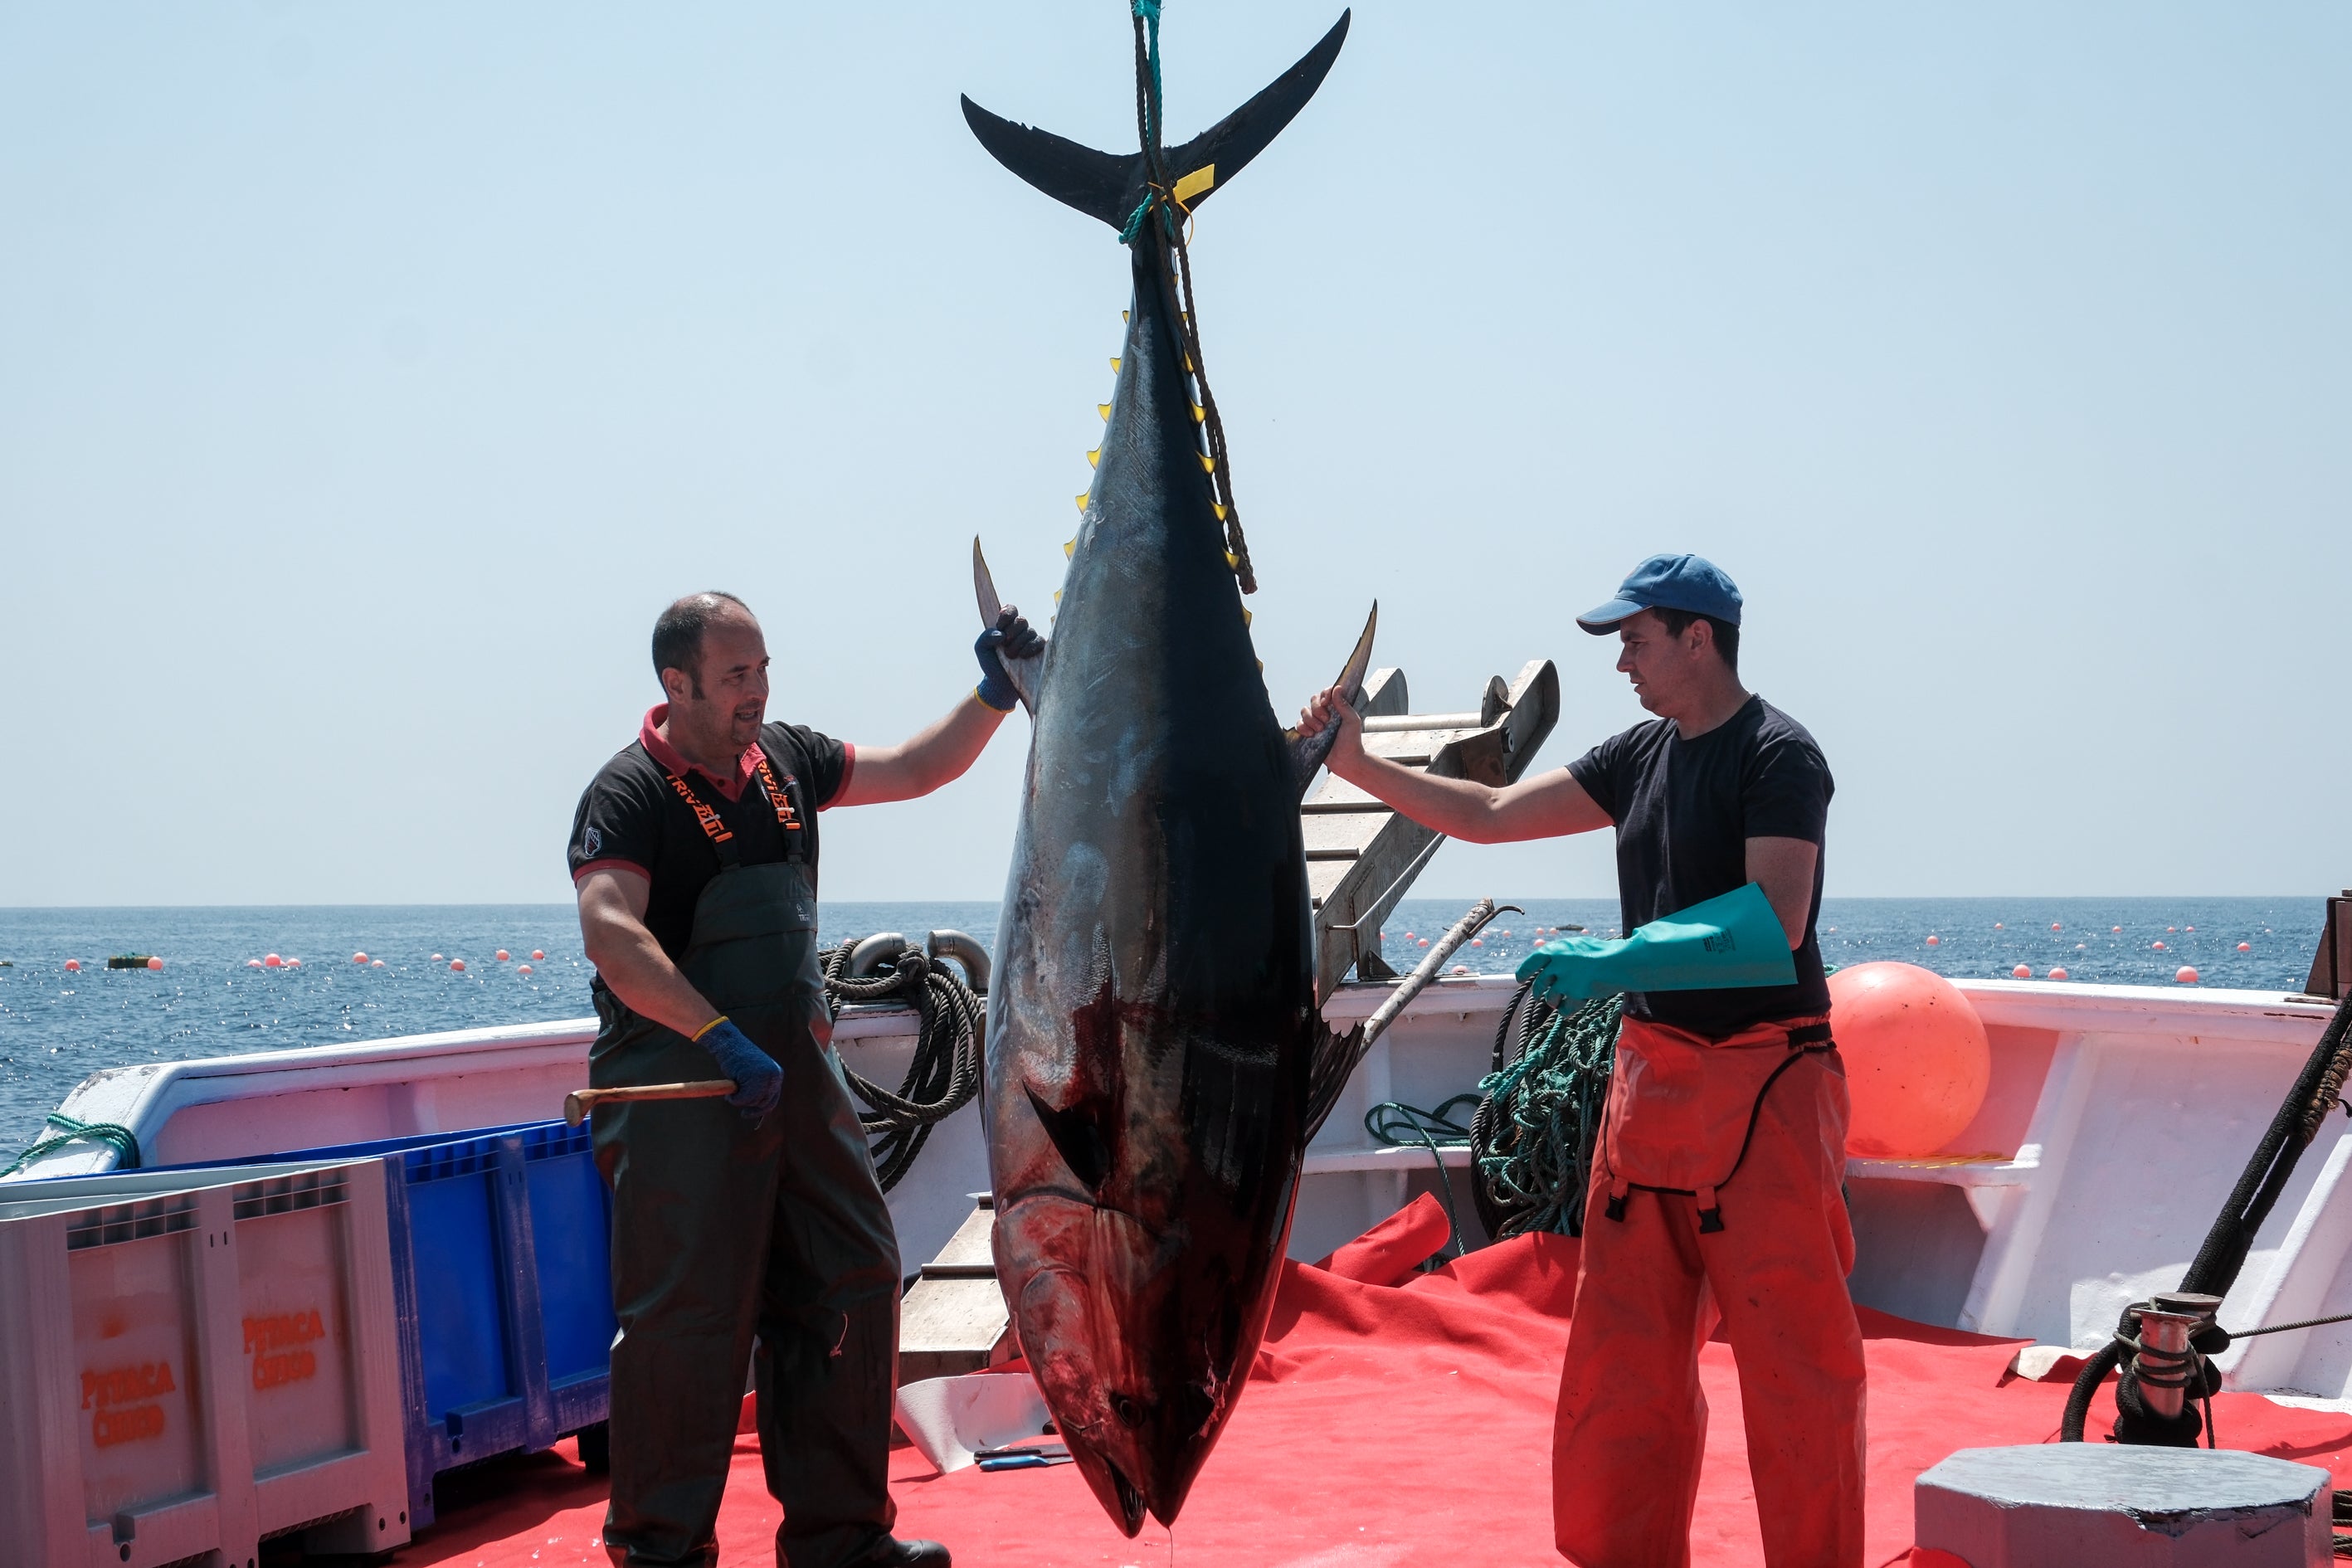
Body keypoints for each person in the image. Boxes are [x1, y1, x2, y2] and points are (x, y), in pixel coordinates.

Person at [1298, 554, 1862, 1568]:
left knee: (1796, 1373)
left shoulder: (1780, 755)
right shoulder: (1638, 756)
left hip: (1769, 1086)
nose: (1622, 664)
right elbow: (1489, 816)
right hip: (1652, 1092)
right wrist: (1356, 762)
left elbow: (1775, 922)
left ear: (1700, 639)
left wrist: (1620, 956)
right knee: (1622, 1364)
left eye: (1635, 641)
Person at [569, 590, 1042, 1568]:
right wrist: (717, 1036)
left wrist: (994, 692)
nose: (759, 691)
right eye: (737, 675)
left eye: (764, 670)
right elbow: (612, 931)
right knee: (686, 1326)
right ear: (677, 682)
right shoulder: (628, 793)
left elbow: (916, 769)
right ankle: (661, 1552)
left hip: (795, 1078)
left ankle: (841, 1540)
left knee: (851, 1279)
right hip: (684, 1090)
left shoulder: (784, 760)